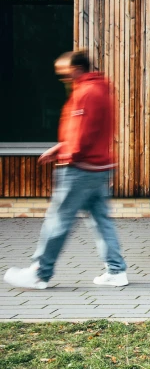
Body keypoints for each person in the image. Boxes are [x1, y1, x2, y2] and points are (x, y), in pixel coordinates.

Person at [3, 51, 129, 289]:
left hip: (81, 168)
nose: (63, 78)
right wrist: (59, 147)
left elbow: (83, 134)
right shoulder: (100, 89)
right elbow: (86, 130)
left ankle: (40, 273)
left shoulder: (86, 93)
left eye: (64, 72)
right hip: (99, 166)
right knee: (101, 220)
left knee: (58, 220)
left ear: (77, 68)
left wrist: (66, 156)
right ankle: (116, 270)